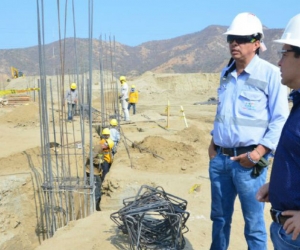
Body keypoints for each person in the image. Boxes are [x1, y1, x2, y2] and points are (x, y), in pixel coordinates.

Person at [207, 12, 289, 250]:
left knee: (253, 224)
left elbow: (280, 119)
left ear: (256, 43)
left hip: (249, 162)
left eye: (241, 39)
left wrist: (258, 154)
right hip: (220, 159)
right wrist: (213, 143)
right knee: (219, 219)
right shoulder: (226, 73)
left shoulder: (271, 74)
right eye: (231, 38)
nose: (234, 43)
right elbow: (223, 111)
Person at [256, 13, 300, 249]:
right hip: (286, 232)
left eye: (284, 54)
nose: (279, 62)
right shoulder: (298, 103)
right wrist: (280, 187)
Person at [85, 144, 104, 211]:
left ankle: (95, 204)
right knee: (97, 189)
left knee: (95, 187)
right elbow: (91, 157)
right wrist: (98, 161)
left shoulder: (99, 149)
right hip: (92, 172)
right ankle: (95, 206)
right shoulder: (97, 149)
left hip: (93, 171)